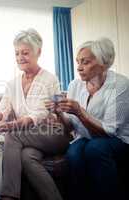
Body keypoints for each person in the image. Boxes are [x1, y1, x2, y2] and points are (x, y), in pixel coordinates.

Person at [0, 28, 71, 200]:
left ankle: (9, 196)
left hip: (53, 134)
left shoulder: (49, 79)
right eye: (17, 53)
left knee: (12, 135)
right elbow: (1, 114)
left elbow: (37, 116)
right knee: (26, 157)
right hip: (29, 138)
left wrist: (9, 125)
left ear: (38, 52)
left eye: (25, 52)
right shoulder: (12, 84)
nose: (20, 57)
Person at [46, 38, 129, 200]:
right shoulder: (74, 85)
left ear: (103, 63)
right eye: (78, 62)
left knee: (95, 148)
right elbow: (69, 128)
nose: (78, 67)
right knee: (74, 153)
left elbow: (110, 132)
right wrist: (58, 113)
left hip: (119, 140)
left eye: (85, 62)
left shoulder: (120, 85)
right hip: (85, 138)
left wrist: (80, 112)